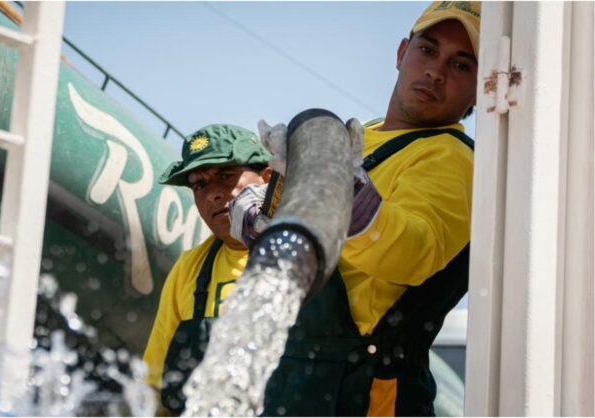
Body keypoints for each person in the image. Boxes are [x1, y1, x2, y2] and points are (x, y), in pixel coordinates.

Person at [145, 1, 480, 415]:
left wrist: (346, 192)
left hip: (367, 392)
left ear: (482, 88)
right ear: (401, 54)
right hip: (299, 381)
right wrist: (265, 217)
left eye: (461, 65)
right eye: (427, 50)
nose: (435, 71)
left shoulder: (451, 156)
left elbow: (413, 251)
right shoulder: (361, 138)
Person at [142, 124, 273, 415]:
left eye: (226, 176)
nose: (213, 193)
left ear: (266, 178)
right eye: (199, 185)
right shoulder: (190, 268)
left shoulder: (305, 254)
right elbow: (154, 386)